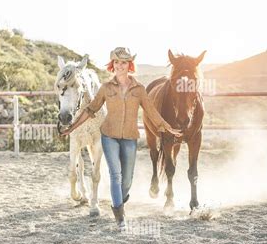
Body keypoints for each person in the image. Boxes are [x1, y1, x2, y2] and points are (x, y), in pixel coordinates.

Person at [61, 47, 182, 230]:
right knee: (115, 176)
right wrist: (72, 127)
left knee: (127, 179)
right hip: (109, 137)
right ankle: (120, 216)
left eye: (123, 62)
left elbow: (151, 111)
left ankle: (120, 200)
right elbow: (90, 110)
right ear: (112, 65)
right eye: (116, 62)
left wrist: (168, 127)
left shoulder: (139, 89)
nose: (119, 66)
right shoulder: (106, 88)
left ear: (129, 65)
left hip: (130, 138)